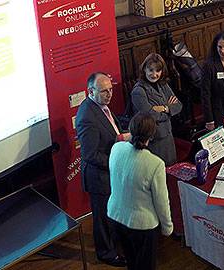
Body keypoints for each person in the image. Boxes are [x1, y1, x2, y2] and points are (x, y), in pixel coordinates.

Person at [107, 112, 173, 270]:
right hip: (142, 226)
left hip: (116, 217)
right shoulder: (155, 163)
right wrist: (167, 227)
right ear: (152, 134)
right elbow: (161, 201)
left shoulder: (116, 148)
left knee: (131, 262)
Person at [75, 72, 129, 267]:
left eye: (111, 89)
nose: (109, 94)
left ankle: (116, 246)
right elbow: (90, 155)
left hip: (109, 174)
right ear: (90, 91)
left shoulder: (101, 106)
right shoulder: (87, 116)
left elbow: (112, 131)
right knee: (103, 220)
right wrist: (117, 162)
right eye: (104, 91)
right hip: (99, 178)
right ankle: (106, 254)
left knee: (112, 215)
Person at [131, 53, 182, 166]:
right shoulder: (138, 91)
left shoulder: (162, 85)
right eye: (151, 70)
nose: (154, 74)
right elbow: (150, 116)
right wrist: (168, 110)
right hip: (154, 141)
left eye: (158, 71)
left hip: (168, 137)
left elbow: (178, 106)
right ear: (144, 69)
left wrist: (163, 108)